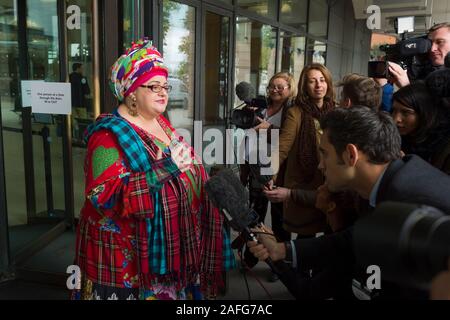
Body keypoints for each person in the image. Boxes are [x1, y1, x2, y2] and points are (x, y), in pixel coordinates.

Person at [73, 39, 235, 300]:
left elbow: (184, 166)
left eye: (165, 86)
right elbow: (104, 196)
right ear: (132, 91)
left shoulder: (160, 122)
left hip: (169, 256)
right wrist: (165, 169)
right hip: (126, 263)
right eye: (154, 86)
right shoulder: (106, 135)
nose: (164, 93)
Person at [249, 107, 450, 299]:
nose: (320, 165)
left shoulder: (414, 201)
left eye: (324, 154)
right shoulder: (388, 185)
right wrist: (281, 250)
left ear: (351, 155)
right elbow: (354, 239)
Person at [266, 64, 335, 237]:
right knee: (306, 236)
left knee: (332, 233)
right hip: (304, 183)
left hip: (331, 183)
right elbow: (281, 149)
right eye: (312, 81)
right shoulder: (295, 113)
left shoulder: (336, 111)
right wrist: (269, 175)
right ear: (305, 86)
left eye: (322, 80)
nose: (319, 85)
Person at [239, 72, 296, 280]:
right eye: (272, 86)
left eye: (281, 86)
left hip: (279, 170)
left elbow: (290, 136)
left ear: (290, 88)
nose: (275, 89)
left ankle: (279, 265)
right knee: (255, 217)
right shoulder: (260, 107)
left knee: (281, 222)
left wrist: (268, 127)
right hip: (256, 166)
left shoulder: (292, 110)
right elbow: (249, 138)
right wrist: (243, 170)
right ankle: (251, 258)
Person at [392, 82, 450, 174]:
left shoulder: (445, 150)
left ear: (425, 114)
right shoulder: (397, 137)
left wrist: (407, 166)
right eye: (394, 110)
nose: (396, 119)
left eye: (406, 113)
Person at [389, 22, 450, 88]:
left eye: (440, 42)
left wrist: (405, 86)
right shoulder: (421, 65)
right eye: (430, 43)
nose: (432, 49)